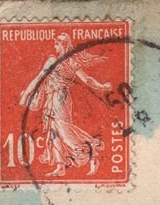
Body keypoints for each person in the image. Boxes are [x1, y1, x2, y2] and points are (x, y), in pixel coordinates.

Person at [19, 33, 111, 177]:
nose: (54, 46)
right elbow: (39, 78)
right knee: (52, 130)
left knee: (64, 130)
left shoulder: (71, 61)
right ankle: (60, 166)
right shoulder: (52, 60)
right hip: (51, 97)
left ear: (63, 44)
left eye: (56, 43)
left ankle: (92, 152)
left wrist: (102, 86)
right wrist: (25, 96)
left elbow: (86, 79)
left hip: (61, 97)